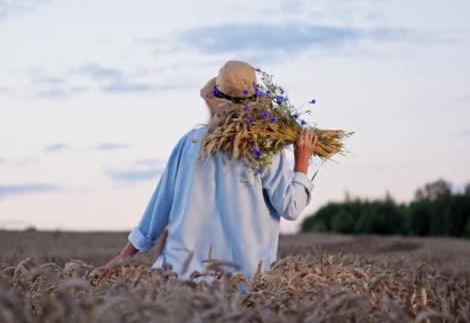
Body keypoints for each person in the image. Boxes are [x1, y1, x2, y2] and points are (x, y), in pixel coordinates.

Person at [98, 61, 318, 282]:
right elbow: (290, 207)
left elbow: (160, 206)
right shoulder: (266, 148)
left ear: (214, 101)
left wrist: (123, 257)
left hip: (178, 276)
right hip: (242, 283)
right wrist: (302, 162)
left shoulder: (190, 142)